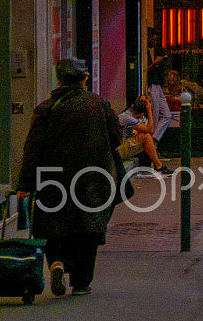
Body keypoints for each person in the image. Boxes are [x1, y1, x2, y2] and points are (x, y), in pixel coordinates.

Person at [15, 58, 120, 297]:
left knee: (52, 226)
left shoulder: (46, 108)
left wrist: (24, 185)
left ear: (59, 79)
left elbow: (32, 149)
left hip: (52, 180)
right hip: (92, 180)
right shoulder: (100, 105)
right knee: (87, 230)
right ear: (84, 79)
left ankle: (57, 263)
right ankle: (81, 283)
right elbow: (116, 138)